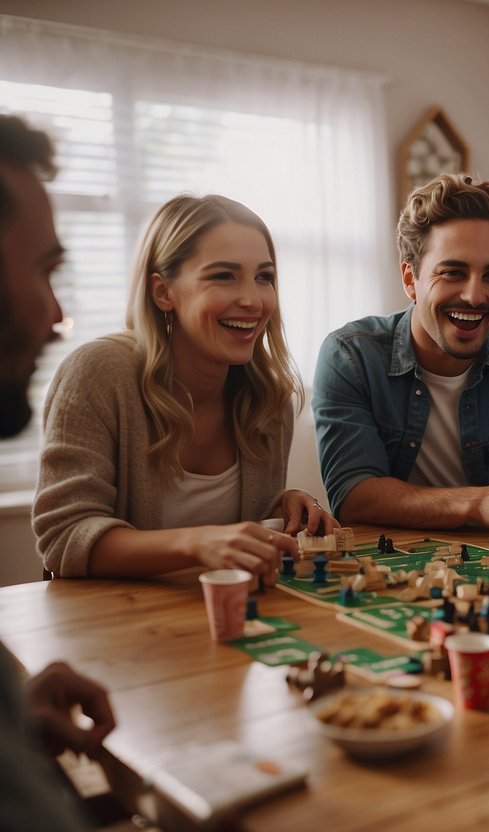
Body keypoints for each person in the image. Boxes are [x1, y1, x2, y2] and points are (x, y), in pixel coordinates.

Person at [34, 193, 335, 578]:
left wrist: (282, 506)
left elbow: (237, 546)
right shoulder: (97, 373)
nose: (253, 300)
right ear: (163, 292)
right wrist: (197, 542)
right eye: (224, 275)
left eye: (264, 277)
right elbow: (64, 537)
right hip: (110, 624)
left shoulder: (269, 398)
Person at [312, 173, 489, 530]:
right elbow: (353, 497)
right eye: (452, 273)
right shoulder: (350, 357)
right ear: (409, 279)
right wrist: (478, 503)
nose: (475, 296)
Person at [1, 113, 117, 831]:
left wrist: (16, 712)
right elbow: (69, 536)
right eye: (45, 271)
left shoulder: (262, 387)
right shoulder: (98, 370)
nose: (55, 315)